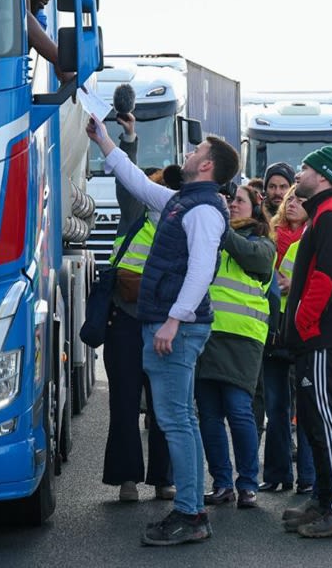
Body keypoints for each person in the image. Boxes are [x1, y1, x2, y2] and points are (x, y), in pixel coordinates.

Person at [86, 117, 239, 546]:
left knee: (175, 422)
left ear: (206, 166)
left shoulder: (203, 211)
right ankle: (190, 510)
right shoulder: (183, 201)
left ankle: (190, 515)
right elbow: (137, 183)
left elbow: (201, 270)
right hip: (171, 324)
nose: (188, 154)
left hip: (177, 329)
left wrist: (174, 319)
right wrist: (104, 140)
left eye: (196, 152)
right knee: (180, 420)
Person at [279, 147, 332, 539]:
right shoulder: (322, 213)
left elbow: (327, 278)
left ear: (324, 177)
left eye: (306, 168)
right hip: (316, 336)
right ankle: (325, 500)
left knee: (326, 420)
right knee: (314, 421)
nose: (299, 174)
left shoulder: (331, 214)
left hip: (323, 336)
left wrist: (302, 323)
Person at [101, 111, 173, 502]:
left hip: (163, 324)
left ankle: (163, 479)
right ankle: (127, 479)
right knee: (125, 404)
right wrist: (129, 139)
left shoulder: (182, 222)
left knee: (164, 407)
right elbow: (126, 181)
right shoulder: (136, 214)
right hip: (126, 320)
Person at [198, 183, 275, 510]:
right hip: (206, 334)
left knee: (239, 410)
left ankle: (247, 484)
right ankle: (222, 484)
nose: (232, 205)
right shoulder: (210, 236)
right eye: (228, 200)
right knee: (209, 414)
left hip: (242, 338)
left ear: (255, 208)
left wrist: (221, 227)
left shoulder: (262, 243)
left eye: (239, 201)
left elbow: (253, 259)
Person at [260, 187, 314, 494]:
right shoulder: (269, 235)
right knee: (276, 406)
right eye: (291, 199)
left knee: (305, 405)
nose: (292, 203)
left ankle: (308, 477)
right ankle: (277, 475)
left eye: (300, 200)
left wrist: (296, 284)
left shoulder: (314, 235)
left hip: (300, 327)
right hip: (272, 327)